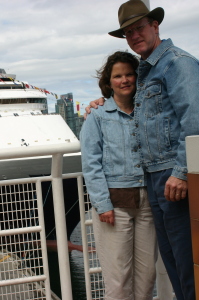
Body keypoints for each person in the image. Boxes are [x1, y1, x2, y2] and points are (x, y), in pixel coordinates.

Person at [85, 1, 199, 299]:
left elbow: (195, 123)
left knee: (185, 260)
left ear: (155, 25)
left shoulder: (178, 63)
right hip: (153, 181)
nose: (134, 35)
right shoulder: (147, 72)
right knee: (171, 260)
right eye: (128, 32)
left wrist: (182, 172)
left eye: (139, 27)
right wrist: (98, 103)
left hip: (170, 176)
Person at [81, 51, 157, 300]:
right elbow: (91, 164)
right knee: (118, 279)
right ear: (108, 81)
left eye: (129, 74)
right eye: (118, 76)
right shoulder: (98, 116)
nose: (124, 80)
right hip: (115, 204)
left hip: (147, 201)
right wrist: (102, 205)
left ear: (137, 77)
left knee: (147, 276)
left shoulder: (146, 112)